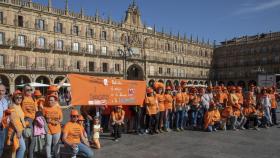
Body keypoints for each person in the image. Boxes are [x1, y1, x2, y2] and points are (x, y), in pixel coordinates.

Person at [6, 90, 26, 158]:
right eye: (17, 97)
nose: (19, 99)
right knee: (21, 148)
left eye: (20, 97)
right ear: (14, 98)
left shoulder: (19, 106)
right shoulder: (12, 106)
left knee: (16, 149)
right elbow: (12, 120)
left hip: (19, 130)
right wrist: (18, 131)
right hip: (15, 131)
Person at [21, 84, 37, 158]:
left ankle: (30, 155)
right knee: (25, 140)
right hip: (25, 120)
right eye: (27, 90)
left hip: (33, 121)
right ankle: (25, 155)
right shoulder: (22, 98)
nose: (29, 91)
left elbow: (36, 109)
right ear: (24, 91)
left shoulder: (33, 98)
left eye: (31, 89)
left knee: (33, 140)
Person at [0, 84, 9, 157]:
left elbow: (6, 113)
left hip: (3, 126)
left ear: (5, 91)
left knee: (1, 146)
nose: (1, 92)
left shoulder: (5, 101)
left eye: (2, 90)